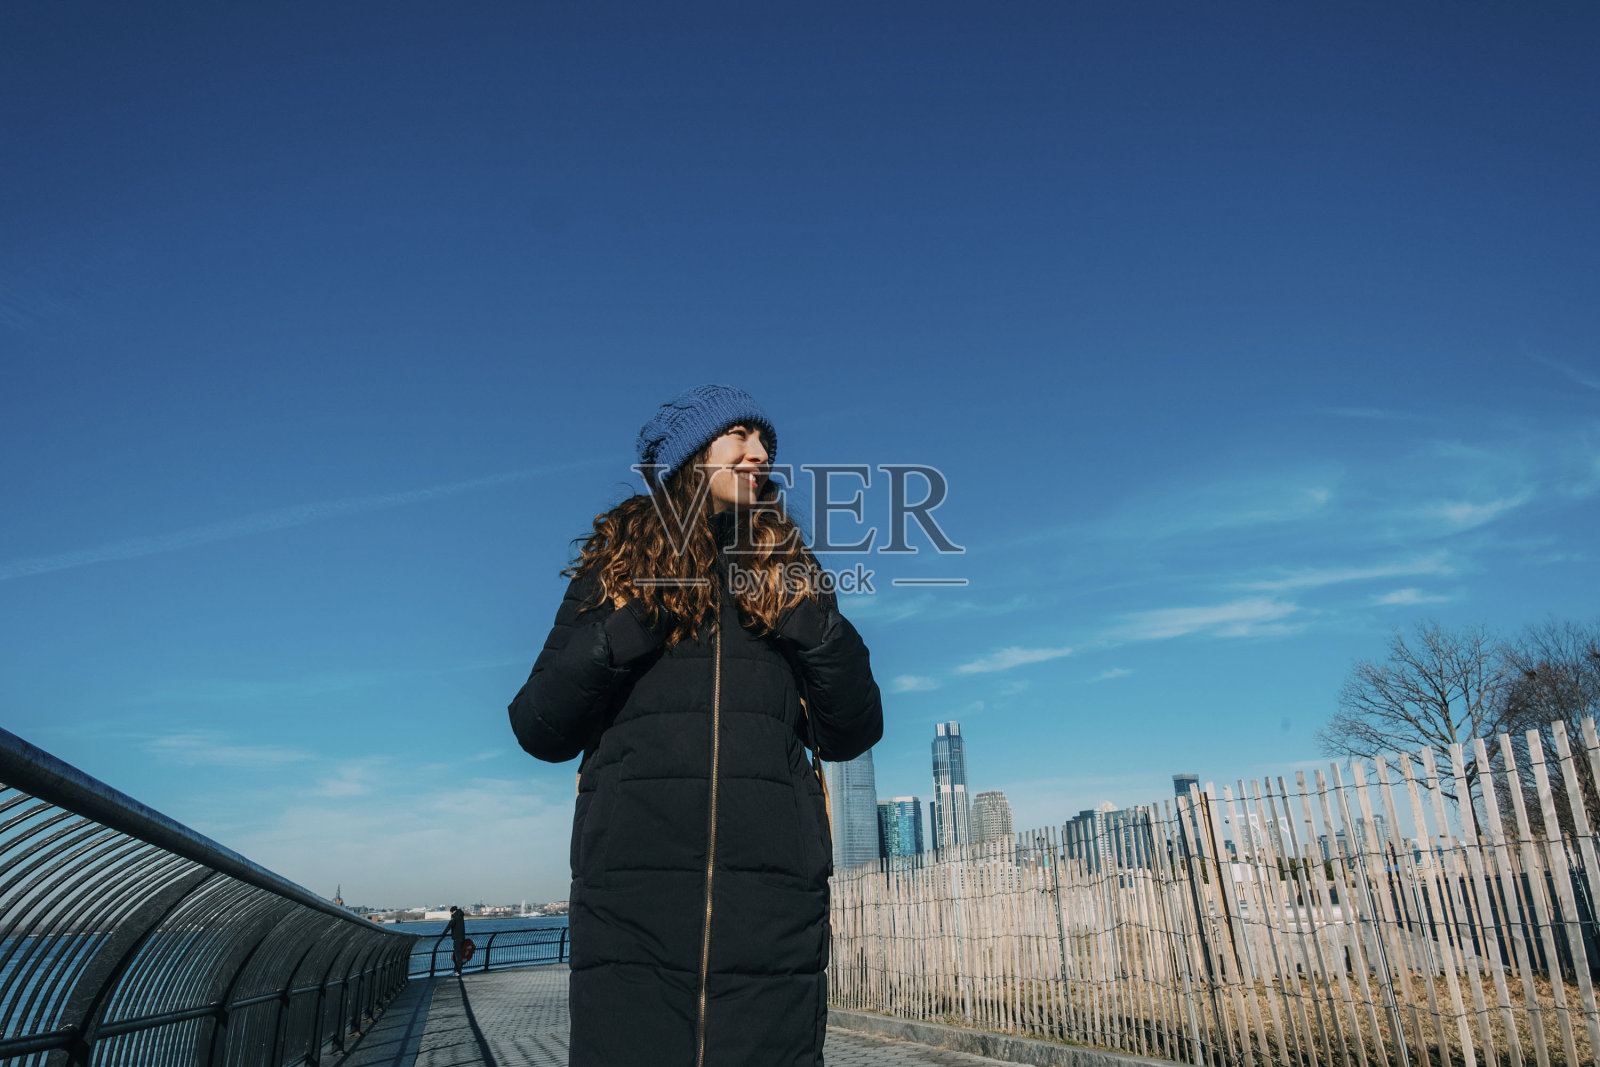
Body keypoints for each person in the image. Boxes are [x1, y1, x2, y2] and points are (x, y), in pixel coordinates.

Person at [508, 383, 883, 1067]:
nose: (762, 452)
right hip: (633, 913)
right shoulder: (612, 572)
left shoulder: (790, 570)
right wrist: (629, 627)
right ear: (689, 457)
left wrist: (810, 623)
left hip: (772, 915)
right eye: (740, 434)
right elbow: (539, 726)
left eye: (765, 441)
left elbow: (852, 730)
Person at [443, 905, 466, 975]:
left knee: (457, 956)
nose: (450, 914)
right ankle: (456, 970)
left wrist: (443, 933)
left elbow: (450, 925)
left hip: (457, 938)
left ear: (453, 911)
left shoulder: (455, 916)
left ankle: (458, 971)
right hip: (462, 938)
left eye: (450, 913)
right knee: (457, 955)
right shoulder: (460, 916)